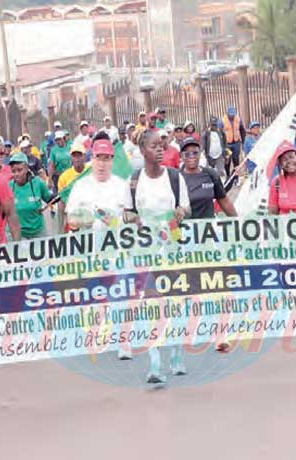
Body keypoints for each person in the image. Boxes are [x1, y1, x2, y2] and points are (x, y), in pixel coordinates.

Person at [125, 129, 190, 384]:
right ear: (143, 151)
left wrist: (180, 212)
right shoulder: (133, 180)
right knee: (151, 303)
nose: (161, 149)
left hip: (172, 245)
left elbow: (187, 207)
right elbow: (126, 213)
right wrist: (137, 220)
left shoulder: (175, 177)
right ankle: (154, 362)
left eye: (162, 145)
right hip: (146, 249)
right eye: (154, 146)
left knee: (174, 301)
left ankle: (176, 353)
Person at [180, 137, 237, 219]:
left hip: (208, 228)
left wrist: (237, 221)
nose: (191, 157)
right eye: (187, 154)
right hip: (186, 229)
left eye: (195, 153)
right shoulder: (176, 177)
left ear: (200, 154)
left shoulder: (211, 174)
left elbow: (224, 201)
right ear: (181, 156)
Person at [5, 153, 54, 240]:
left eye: (19, 170)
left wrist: (46, 207)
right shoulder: (8, 187)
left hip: (38, 231)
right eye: (13, 171)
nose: (16, 174)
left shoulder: (38, 183)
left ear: (27, 169)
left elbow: (50, 199)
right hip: (18, 234)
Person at [221, 106, 246, 176]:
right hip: (227, 145)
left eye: (233, 114)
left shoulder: (238, 119)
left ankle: (235, 176)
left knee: (236, 160)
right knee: (227, 160)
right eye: (230, 114)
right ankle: (228, 174)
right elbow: (219, 132)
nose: (232, 116)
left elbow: (242, 130)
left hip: (236, 144)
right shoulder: (222, 121)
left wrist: (243, 141)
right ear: (227, 113)